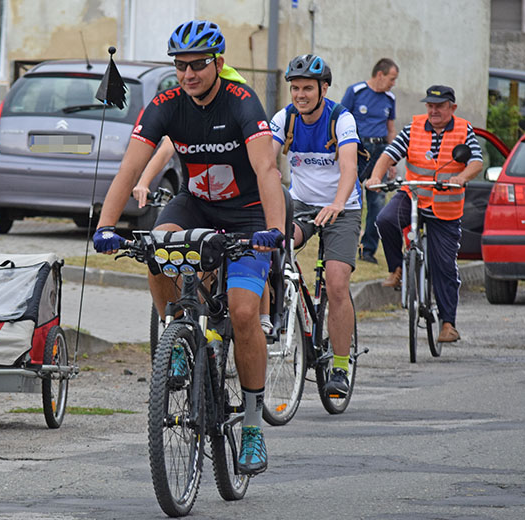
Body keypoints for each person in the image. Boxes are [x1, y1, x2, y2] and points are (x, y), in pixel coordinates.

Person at [93, 20, 285, 475]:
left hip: (248, 213)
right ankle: (177, 334)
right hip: (196, 204)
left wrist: (273, 230)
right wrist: (104, 226)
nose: (188, 74)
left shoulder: (242, 103)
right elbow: (129, 168)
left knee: (241, 313)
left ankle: (253, 428)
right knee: (156, 247)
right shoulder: (165, 104)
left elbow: (267, 171)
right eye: (180, 66)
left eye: (198, 64)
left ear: (218, 63)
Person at [270, 54, 361, 398]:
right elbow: (265, 157)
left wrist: (337, 203)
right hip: (302, 205)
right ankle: (281, 314)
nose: (300, 94)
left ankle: (339, 365)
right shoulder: (286, 118)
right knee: (274, 246)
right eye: (295, 88)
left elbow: (349, 167)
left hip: (343, 207)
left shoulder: (342, 118)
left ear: (324, 88)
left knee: (337, 282)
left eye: (307, 87)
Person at [365, 85, 482, 343]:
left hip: (446, 206)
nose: (433, 110)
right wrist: (375, 176)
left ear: (452, 108)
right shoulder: (414, 128)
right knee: (384, 220)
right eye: (429, 105)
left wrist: (461, 177)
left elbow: (476, 161)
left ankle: (448, 324)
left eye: (439, 106)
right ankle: (397, 268)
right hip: (414, 195)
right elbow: (389, 154)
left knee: (444, 266)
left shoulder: (464, 129)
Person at [341, 58, 399, 264]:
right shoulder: (356, 91)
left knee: (377, 201)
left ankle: (368, 250)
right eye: (392, 79)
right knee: (352, 197)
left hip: (381, 151)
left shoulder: (390, 98)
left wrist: (392, 162)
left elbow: (391, 129)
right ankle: (346, 244)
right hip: (358, 150)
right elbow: (340, 119)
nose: (393, 83)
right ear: (380, 74)